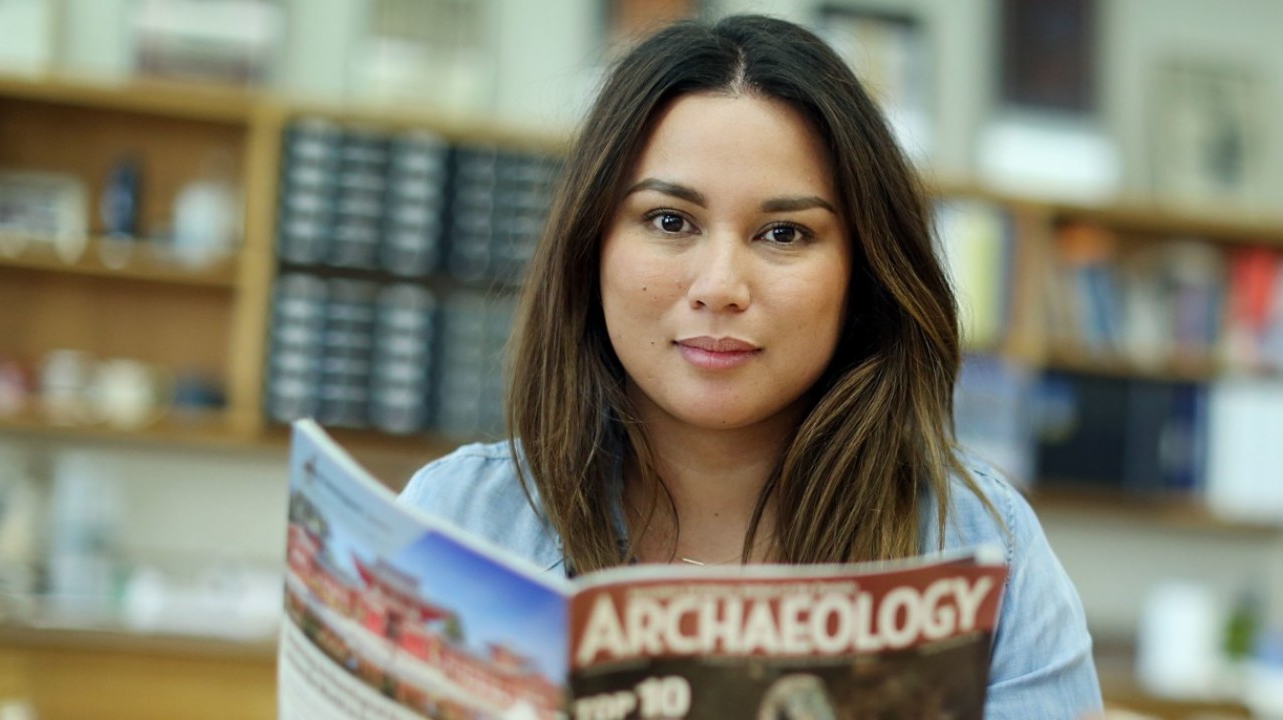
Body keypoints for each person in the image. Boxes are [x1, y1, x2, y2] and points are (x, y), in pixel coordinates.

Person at [397, 14, 1102, 718]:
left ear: (861, 272)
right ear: (593, 245)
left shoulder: (977, 541)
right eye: (670, 221)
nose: (720, 285)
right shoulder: (458, 518)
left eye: (784, 233)